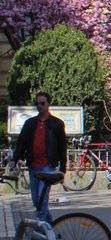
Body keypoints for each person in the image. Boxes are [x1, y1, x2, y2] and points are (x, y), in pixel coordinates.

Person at [8, 91, 67, 222]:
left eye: (42, 103)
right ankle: (49, 225)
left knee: (42, 199)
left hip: (48, 166)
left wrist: (63, 167)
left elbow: (62, 146)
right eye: (37, 103)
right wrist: (14, 159)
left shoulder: (56, 124)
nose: (39, 106)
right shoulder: (30, 123)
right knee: (35, 199)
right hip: (34, 165)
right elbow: (22, 143)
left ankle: (42, 229)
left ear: (48, 104)